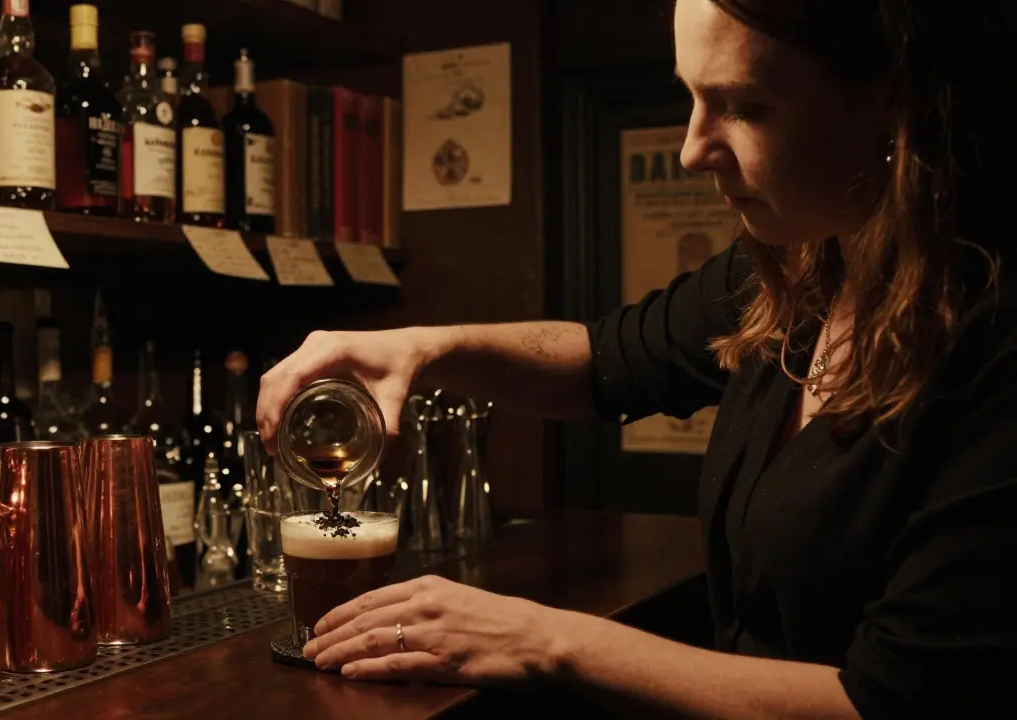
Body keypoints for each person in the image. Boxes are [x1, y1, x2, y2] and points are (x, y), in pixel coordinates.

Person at [255, 0, 1017, 717]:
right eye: (690, 96)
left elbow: (893, 702)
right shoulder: (798, 269)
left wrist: (543, 641)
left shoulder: (994, 333)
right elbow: (605, 359)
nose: (692, 149)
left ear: (896, 99)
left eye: (746, 106)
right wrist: (425, 347)